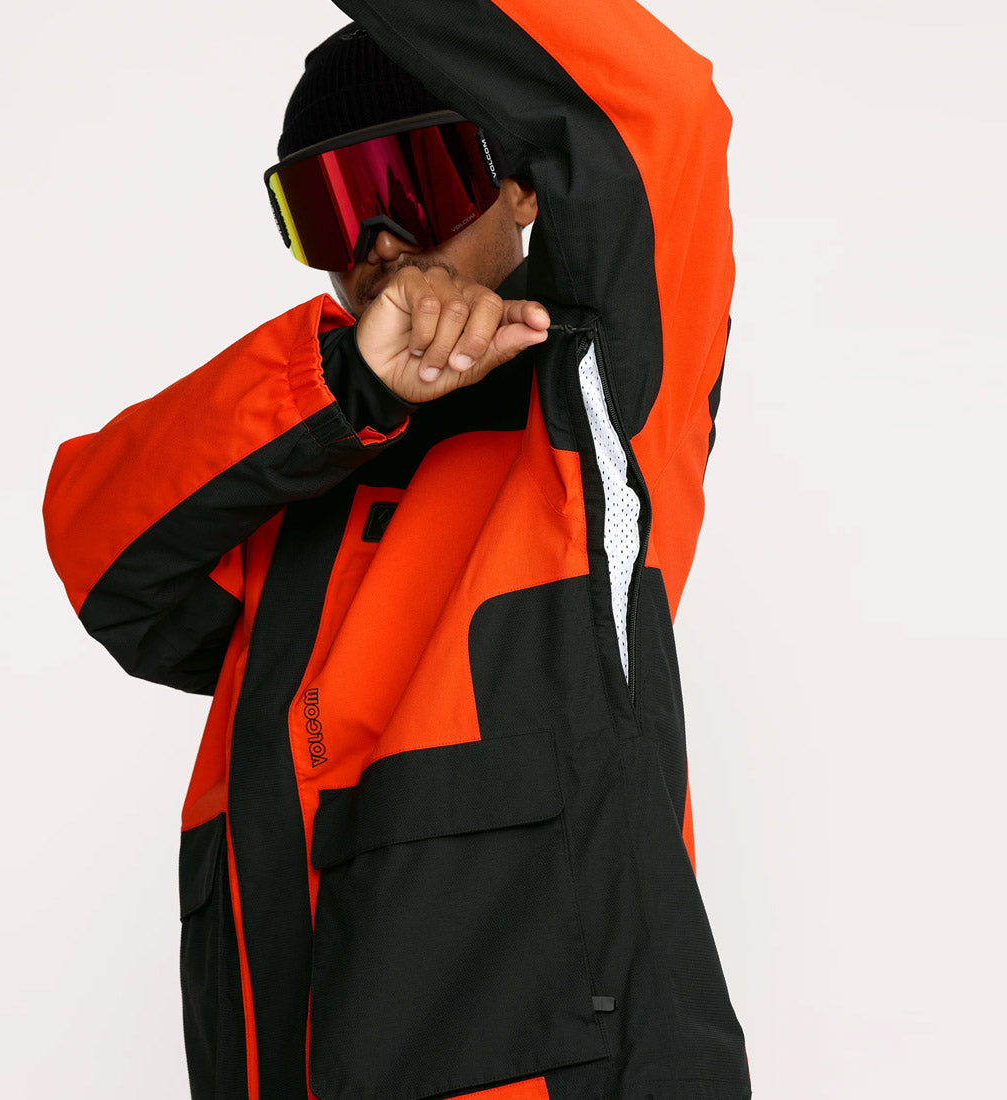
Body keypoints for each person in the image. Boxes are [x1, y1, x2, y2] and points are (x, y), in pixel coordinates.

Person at [42, 2, 751, 1098]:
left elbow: (655, 113)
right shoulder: (291, 468)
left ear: (521, 187)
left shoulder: (600, 398)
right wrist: (343, 388)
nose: (379, 244)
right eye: (332, 210)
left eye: (416, 182)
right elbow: (99, 548)